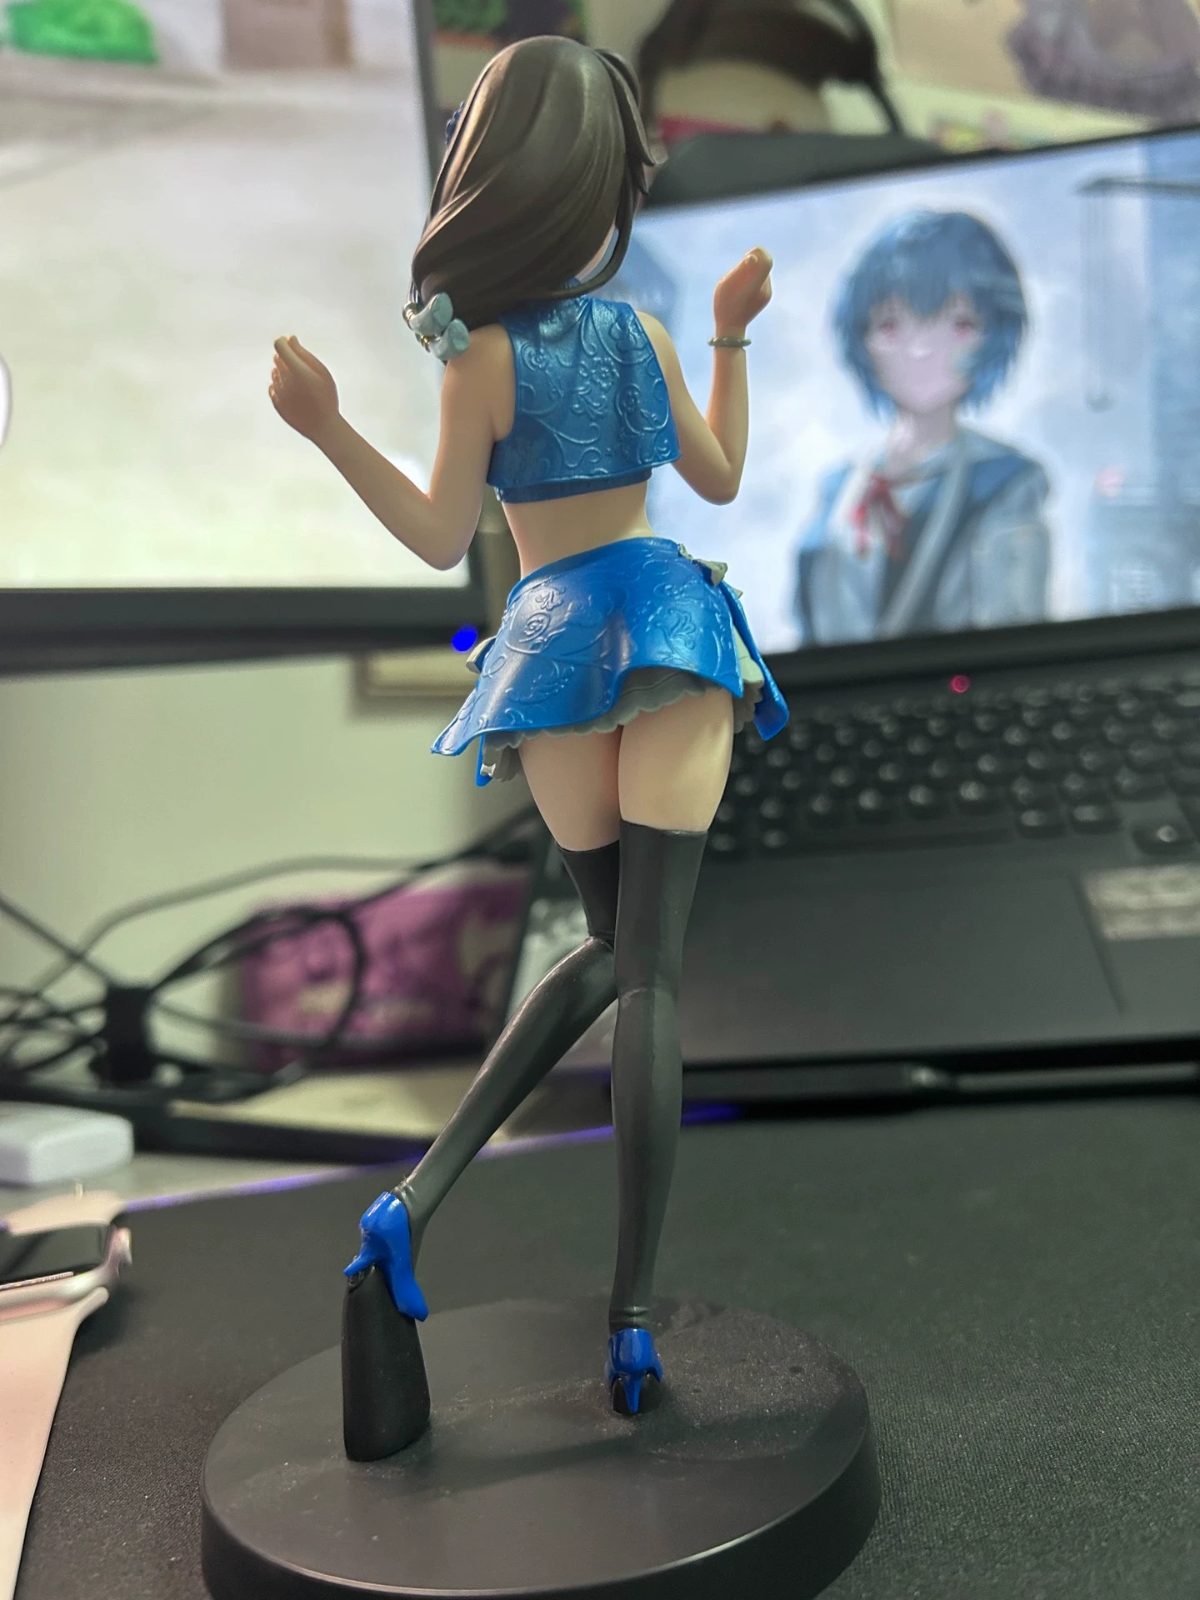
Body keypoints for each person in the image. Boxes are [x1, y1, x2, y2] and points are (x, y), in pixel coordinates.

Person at [268, 34, 786, 1456]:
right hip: (661, 634)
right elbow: (721, 479)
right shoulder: (639, 337)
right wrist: (731, 333)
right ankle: (633, 1320)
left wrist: (328, 430)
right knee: (647, 971)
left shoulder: (480, 359)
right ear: (597, 187)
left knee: (611, 950)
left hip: (550, 652)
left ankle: (416, 1197)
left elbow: (442, 536)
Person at [794, 209, 1052, 644]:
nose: (920, 349)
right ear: (861, 338)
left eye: (958, 324)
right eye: (890, 325)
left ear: (993, 334)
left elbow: (1014, 633)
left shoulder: (1006, 481)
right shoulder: (838, 487)